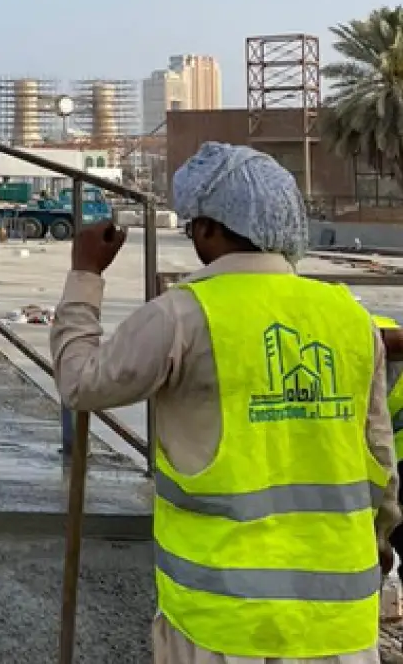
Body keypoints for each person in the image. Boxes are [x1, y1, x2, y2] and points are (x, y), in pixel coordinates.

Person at [51, 141, 400, 663]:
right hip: (339, 624)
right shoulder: (350, 317)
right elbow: (379, 458)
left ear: (210, 228)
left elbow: (80, 383)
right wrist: (382, 541)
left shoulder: (181, 317)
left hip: (222, 622)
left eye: (194, 224)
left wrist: (85, 275)